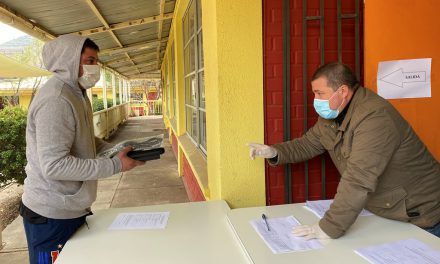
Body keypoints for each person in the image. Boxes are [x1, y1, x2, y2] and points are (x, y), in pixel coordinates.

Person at [248, 62, 440, 239]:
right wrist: (274, 152)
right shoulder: (333, 115)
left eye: (320, 93)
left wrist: (327, 228)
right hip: (390, 212)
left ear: (342, 91)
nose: (315, 100)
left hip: (423, 214)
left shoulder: (375, 118)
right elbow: (308, 143)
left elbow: (358, 178)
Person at [20, 35, 144, 264]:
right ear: (69, 60)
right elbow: (54, 165)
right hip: (50, 214)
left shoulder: (78, 94)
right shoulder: (56, 100)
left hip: (71, 207)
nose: (95, 68)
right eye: (90, 60)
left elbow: (85, 140)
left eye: (96, 61)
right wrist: (115, 164)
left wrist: (117, 149)